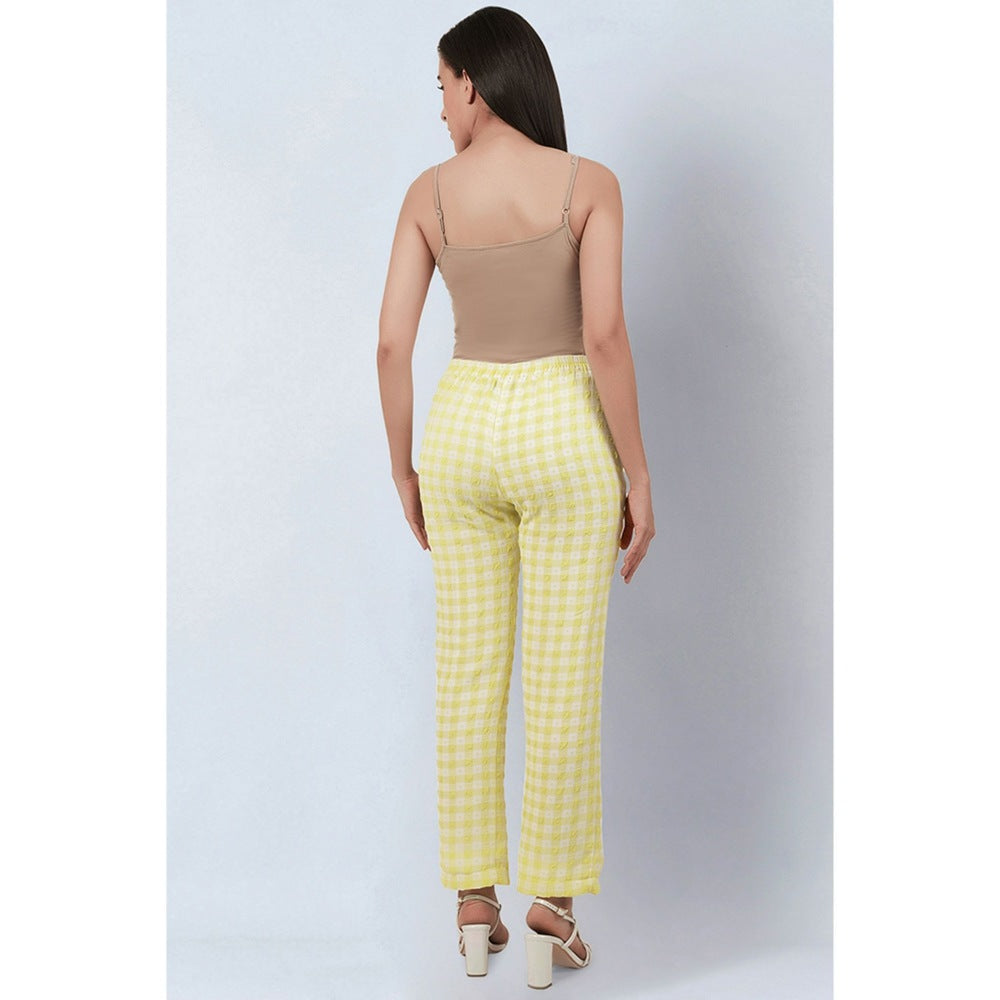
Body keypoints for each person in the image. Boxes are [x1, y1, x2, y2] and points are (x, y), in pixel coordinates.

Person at [376, 6, 654, 988]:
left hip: (460, 427)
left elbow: (392, 344)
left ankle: (472, 905)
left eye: (442, 87)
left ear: (476, 83)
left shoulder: (429, 194)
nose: (440, 109)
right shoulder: (589, 184)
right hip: (561, 425)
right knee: (562, 674)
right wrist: (637, 473)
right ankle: (551, 912)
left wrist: (404, 468)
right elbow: (605, 335)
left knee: (468, 671)